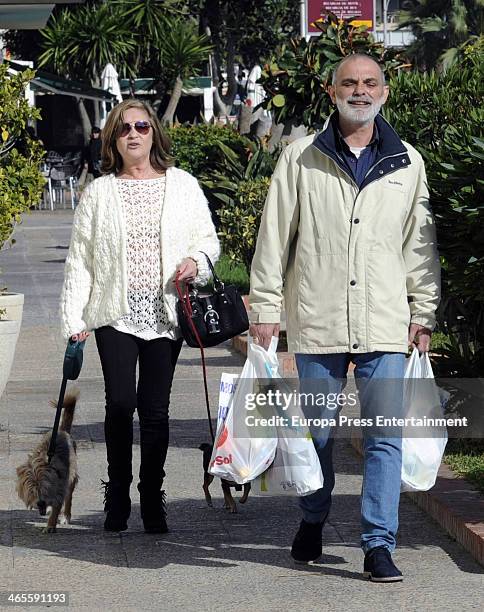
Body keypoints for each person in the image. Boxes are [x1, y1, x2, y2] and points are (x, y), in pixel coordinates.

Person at [248, 54, 440, 582]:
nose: (360, 91)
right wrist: (264, 307)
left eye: (370, 82)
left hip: (384, 321)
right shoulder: (300, 158)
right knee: (317, 434)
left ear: (385, 91)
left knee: (384, 436)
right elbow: (274, 238)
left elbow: (419, 246)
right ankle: (313, 516)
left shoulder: (409, 162)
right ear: (332, 93)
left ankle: (378, 544)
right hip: (318, 316)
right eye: (349, 83)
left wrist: (422, 311)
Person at [60, 99, 219, 533]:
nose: (134, 134)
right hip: (114, 314)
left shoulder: (182, 185)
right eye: (124, 128)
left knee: (154, 410)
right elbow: (81, 261)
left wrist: (195, 261)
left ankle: (152, 496)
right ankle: (118, 494)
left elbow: (209, 241)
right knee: (120, 403)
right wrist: (75, 320)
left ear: (154, 134)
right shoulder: (99, 192)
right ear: (113, 138)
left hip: (165, 314)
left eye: (142, 126)